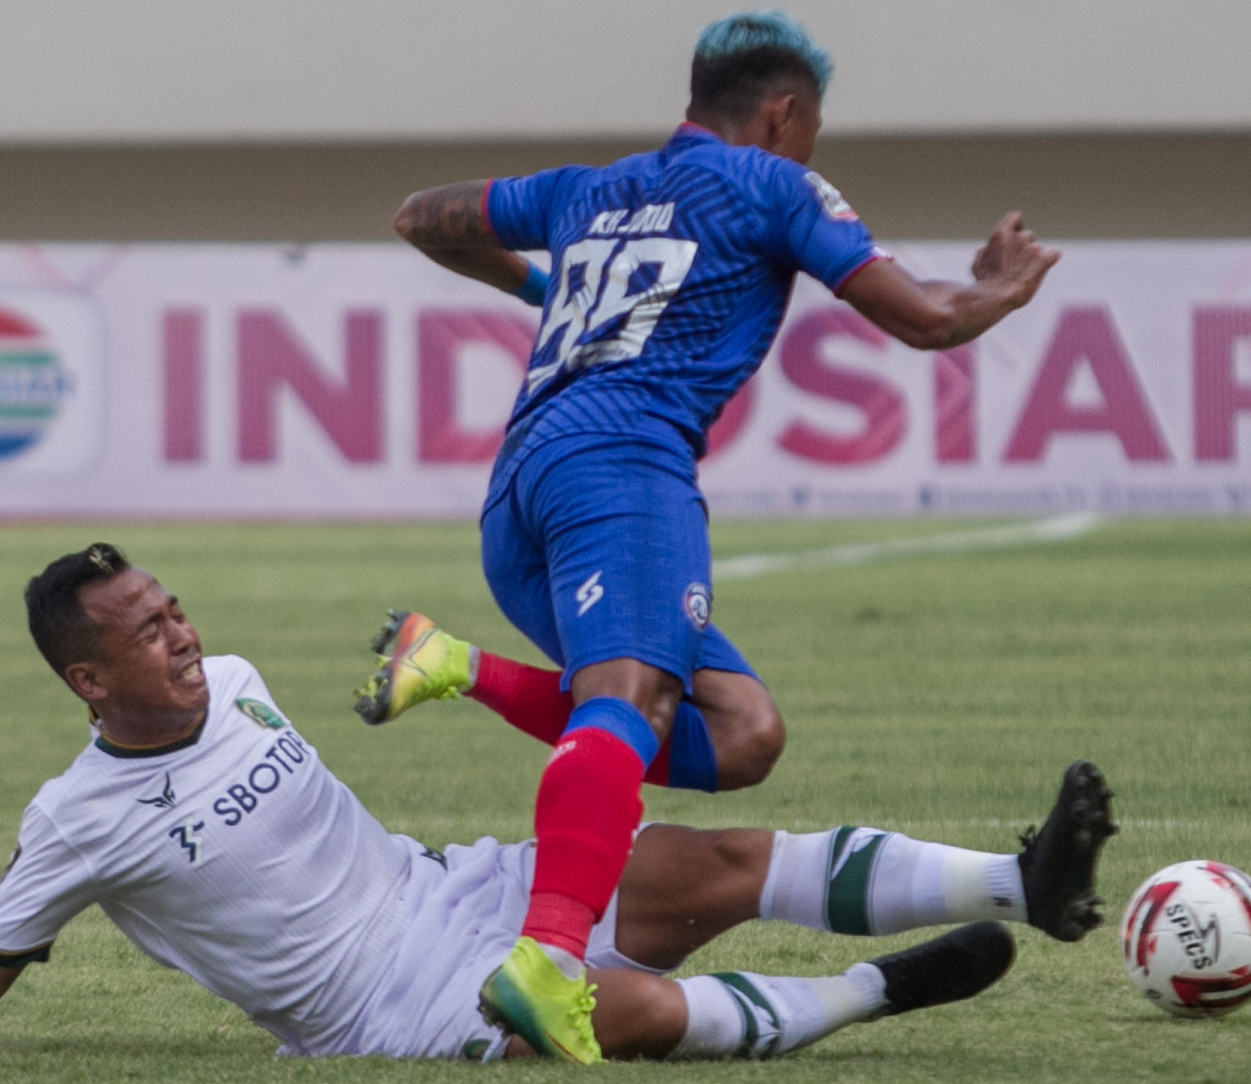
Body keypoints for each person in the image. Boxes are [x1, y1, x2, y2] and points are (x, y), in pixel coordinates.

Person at [386, 10, 1063, 1057]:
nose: (809, 153)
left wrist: (549, 287)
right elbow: (923, 317)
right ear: (783, 115)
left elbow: (422, 217)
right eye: (812, 133)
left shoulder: (585, 189)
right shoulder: (770, 184)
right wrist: (998, 293)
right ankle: (550, 957)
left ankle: (456, 664)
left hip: (522, 488)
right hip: (625, 469)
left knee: (742, 734)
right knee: (632, 700)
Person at [0, 544, 1115, 1063]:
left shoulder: (235, 678)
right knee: (622, 1006)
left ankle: (1022, 885)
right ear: (87, 677)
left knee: (696, 857)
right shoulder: (76, 818)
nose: (182, 633)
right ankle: (874, 993)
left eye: (173, 608)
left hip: (450, 888)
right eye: (145, 631)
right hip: (382, 1005)